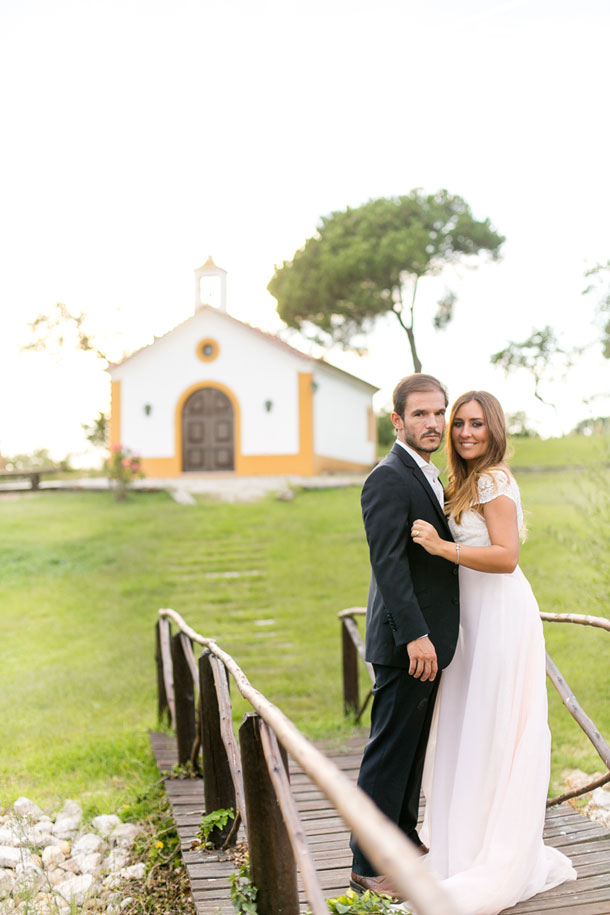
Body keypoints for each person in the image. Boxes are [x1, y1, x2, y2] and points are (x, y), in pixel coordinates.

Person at [410, 390, 576, 915]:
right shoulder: (462, 481)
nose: (464, 432)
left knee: (497, 725)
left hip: (502, 617)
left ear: (494, 427)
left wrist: (442, 548)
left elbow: (506, 557)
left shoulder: (494, 479)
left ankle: (495, 850)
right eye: (458, 423)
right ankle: (463, 841)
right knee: (467, 723)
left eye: (476, 424)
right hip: (471, 619)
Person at [350, 374, 460, 897]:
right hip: (406, 644)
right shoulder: (388, 478)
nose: (434, 423)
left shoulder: (426, 473)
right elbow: (388, 565)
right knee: (389, 751)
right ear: (397, 420)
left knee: (413, 748)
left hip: (429, 641)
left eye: (439, 412)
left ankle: (403, 835)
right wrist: (415, 635)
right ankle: (366, 863)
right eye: (420, 414)